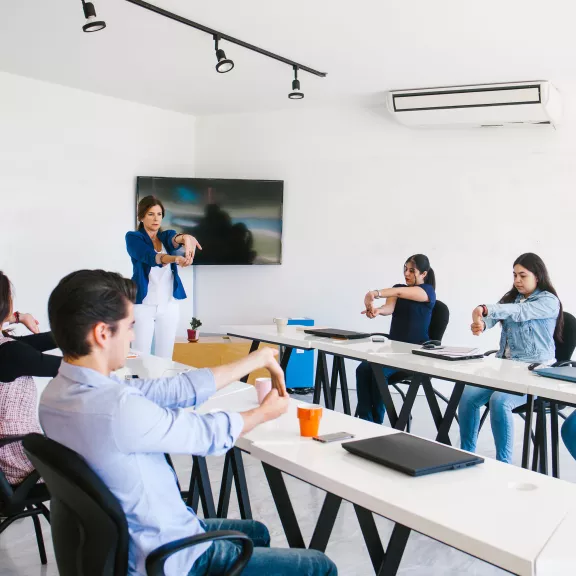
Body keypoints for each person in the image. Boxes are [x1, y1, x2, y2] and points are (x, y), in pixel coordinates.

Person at [40, 270, 337, 576]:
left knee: (255, 532)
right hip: (171, 555)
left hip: (134, 539)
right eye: (130, 326)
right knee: (320, 567)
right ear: (103, 333)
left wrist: (255, 360)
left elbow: (174, 390)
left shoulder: (58, 395)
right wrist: (264, 413)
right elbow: (205, 435)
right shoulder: (117, 410)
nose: (132, 335)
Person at [459, 253, 562, 464]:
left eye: (522, 275)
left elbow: (519, 312)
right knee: (468, 396)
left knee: (500, 400)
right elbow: (494, 317)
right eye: (514, 275)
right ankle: (466, 454)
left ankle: (503, 464)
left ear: (538, 276)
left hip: (535, 372)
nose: (517, 280)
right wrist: (482, 324)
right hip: (505, 369)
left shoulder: (549, 301)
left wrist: (485, 308)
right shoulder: (512, 298)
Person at [357, 254, 436, 423]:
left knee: (378, 372)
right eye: (405, 269)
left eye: (412, 270)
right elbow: (389, 307)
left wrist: (375, 293)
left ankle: (376, 423)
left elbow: (399, 292)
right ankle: (364, 420)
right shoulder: (398, 288)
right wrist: (378, 310)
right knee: (363, 369)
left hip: (415, 353)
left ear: (424, 274)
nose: (407, 274)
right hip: (393, 351)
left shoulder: (427, 292)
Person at [0, 271, 62, 485]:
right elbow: (70, 369)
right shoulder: (10, 353)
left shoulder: (8, 349)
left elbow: (29, 345)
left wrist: (16, 317)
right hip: (17, 461)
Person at [126, 195, 202, 359]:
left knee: (165, 356)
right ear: (141, 217)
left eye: (159, 214)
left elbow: (176, 239)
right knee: (140, 355)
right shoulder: (133, 238)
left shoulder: (166, 236)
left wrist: (187, 238)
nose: (155, 219)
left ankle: (162, 384)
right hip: (144, 305)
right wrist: (174, 258)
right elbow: (151, 257)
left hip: (168, 304)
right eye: (150, 214)